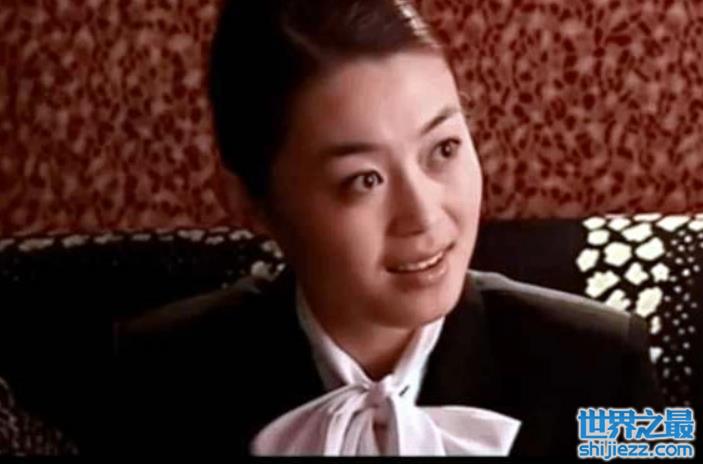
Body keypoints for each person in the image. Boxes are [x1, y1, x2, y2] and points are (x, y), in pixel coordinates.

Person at [114, 0, 663, 456]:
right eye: (364, 180)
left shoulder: (606, 362)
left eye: (443, 149)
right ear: (250, 203)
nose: (423, 214)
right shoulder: (156, 376)